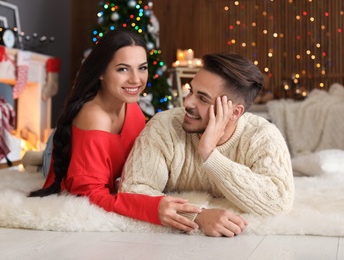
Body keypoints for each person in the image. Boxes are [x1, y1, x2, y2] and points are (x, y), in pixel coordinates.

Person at [29, 28, 201, 232]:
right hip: (64, 144)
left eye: (142, 68)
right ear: (101, 72)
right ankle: (40, 158)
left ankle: (35, 158)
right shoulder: (94, 117)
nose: (136, 80)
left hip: (90, 143)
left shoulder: (131, 105)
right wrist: (151, 208)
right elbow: (89, 194)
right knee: (62, 164)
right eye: (123, 69)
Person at [120, 52, 295, 237]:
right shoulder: (163, 127)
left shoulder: (262, 136)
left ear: (235, 113)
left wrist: (210, 155)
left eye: (203, 99)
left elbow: (279, 202)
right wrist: (197, 217)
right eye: (190, 91)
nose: (187, 102)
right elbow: (133, 190)